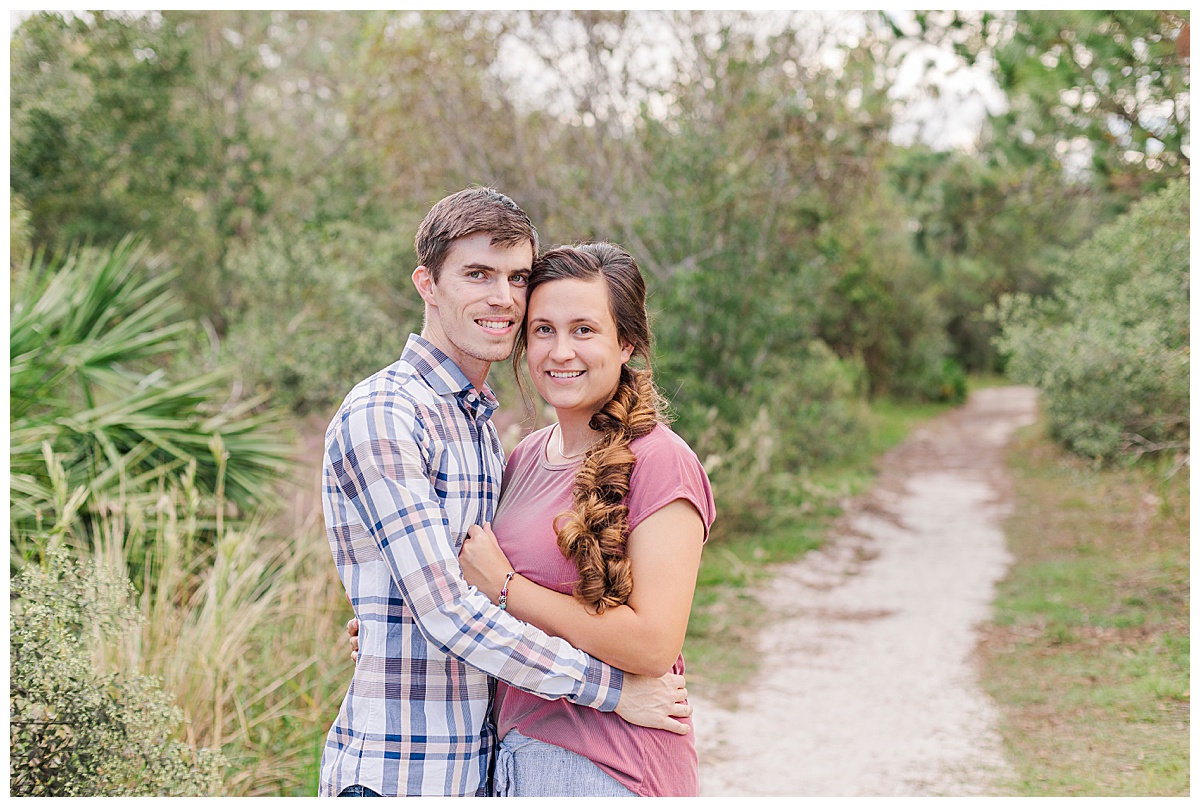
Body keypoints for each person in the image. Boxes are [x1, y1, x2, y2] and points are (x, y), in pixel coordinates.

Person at [319, 188, 692, 798]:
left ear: (626, 344)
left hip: (485, 768)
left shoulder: (482, 432)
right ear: (427, 284)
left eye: (517, 277)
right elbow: (447, 610)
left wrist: (399, 621)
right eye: (477, 274)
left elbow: (476, 590)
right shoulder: (387, 414)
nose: (502, 297)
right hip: (403, 771)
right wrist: (613, 690)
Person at [456, 242, 716, 796]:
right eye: (543, 330)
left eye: (583, 330)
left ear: (626, 343)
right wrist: (399, 629)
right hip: (513, 759)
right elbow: (475, 587)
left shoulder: (660, 462)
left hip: (608, 767)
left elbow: (653, 645)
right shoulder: (525, 457)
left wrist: (507, 587)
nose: (560, 351)